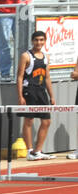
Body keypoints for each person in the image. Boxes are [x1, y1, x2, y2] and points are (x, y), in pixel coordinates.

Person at [19, 30, 56, 161]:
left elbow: (47, 78)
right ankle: (30, 150)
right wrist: (20, 96)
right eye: (36, 40)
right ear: (32, 41)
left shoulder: (46, 57)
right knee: (29, 120)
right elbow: (19, 77)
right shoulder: (26, 56)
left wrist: (51, 95)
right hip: (29, 90)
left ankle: (37, 150)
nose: (39, 42)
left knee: (46, 121)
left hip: (41, 91)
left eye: (41, 40)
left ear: (45, 41)